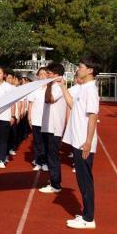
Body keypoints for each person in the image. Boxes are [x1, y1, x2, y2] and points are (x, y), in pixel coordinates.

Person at [59, 56, 100, 229]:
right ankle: (85, 214)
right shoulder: (83, 88)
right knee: (82, 180)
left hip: (84, 142)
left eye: (81, 66)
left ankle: (88, 218)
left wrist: (88, 142)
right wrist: (62, 87)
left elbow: (93, 116)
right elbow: (71, 105)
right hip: (78, 141)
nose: (78, 69)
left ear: (90, 70)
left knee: (85, 181)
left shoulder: (91, 90)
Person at [38, 62, 67, 194]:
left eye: (49, 73)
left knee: (53, 156)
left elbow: (49, 99)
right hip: (48, 126)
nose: (47, 75)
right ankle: (53, 180)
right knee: (50, 155)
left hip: (54, 128)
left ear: (56, 75)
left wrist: (49, 85)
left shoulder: (60, 86)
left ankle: (56, 184)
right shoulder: (53, 85)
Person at [0, 66, 16, 169]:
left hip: (5, 116)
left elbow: (12, 102)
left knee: (3, 139)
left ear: (4, 75)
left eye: (0, 73)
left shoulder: (9, 87)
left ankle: (2, 159)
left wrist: (13, 115)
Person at [27, 67, 49, 172]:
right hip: (36, 120)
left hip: (47, 121)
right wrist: (29, 118)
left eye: (45, 74)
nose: (43, 76)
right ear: (38, 76)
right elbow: (30, 104)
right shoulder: (34, 89)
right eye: (41, 74)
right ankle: (38, 162)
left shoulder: (50, 88)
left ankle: (44, 162)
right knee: (37, 143)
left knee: (45, 143)